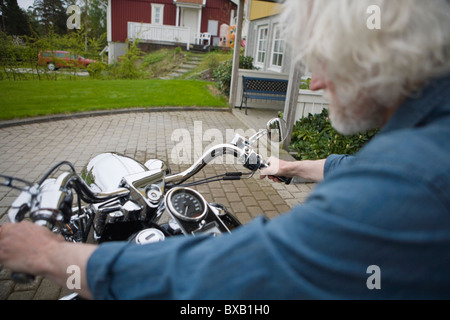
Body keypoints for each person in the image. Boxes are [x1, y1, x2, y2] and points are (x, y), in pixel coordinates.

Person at [1, 0, 450, 299]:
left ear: (374, 52)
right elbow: (362, 168)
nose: (315, 81)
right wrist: (295, 166)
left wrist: (50, 255)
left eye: (322, 59)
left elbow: (235, 274)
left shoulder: (411, 184)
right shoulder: (427, 137)